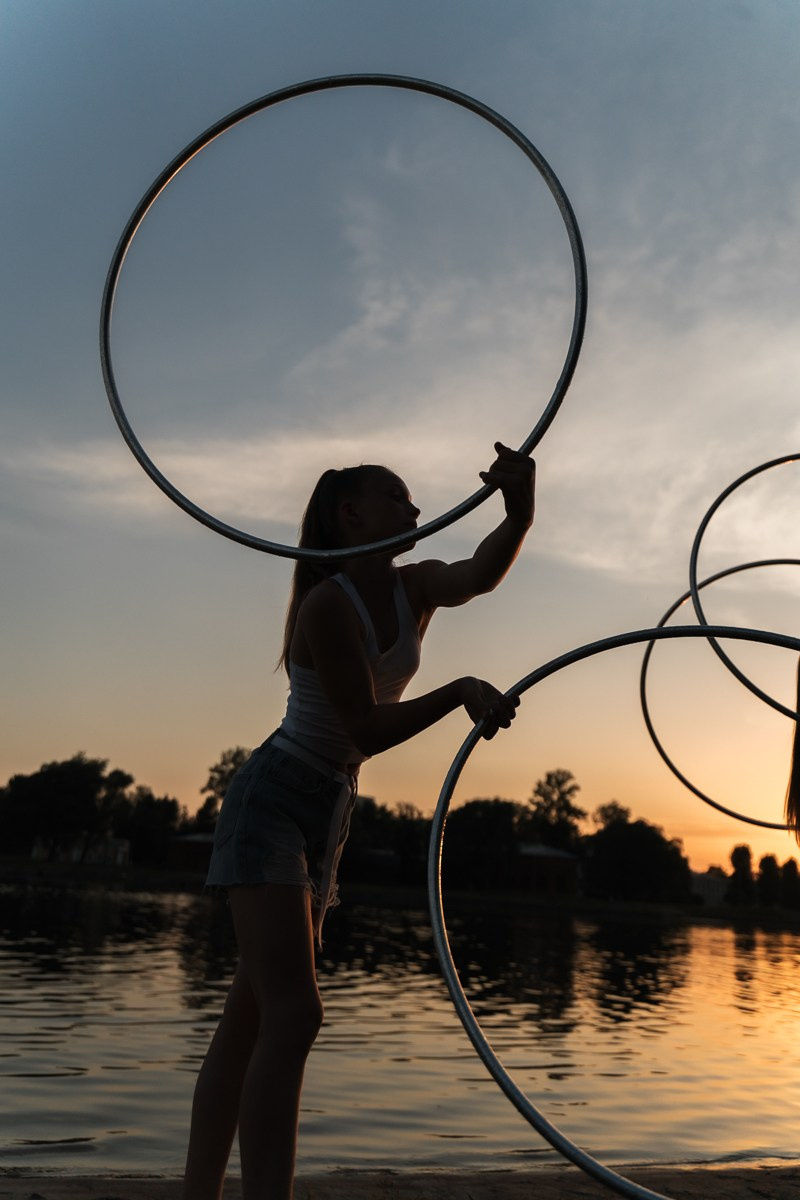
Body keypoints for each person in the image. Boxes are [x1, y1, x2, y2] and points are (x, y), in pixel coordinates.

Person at [181, 442, 535, 1200]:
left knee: (252, 1018)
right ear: (352, 514)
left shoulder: (415, 588)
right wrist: (458, 691)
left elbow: (478, 572)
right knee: (295, 1013)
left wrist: (520, 507)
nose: (414, 509)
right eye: (397, 498)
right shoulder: (326, 603)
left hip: (327, 814)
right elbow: (365, 727)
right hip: (272, 802)